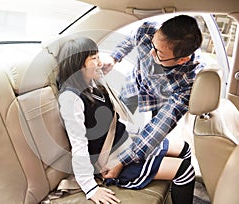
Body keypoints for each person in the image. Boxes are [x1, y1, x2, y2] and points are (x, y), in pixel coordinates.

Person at [57, 36, 195, 204]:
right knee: (185, 171)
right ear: (78, 64)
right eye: (94, 58)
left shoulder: (93, 84)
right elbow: (79, 144)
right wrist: (90, 188)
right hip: (111, 161)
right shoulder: (71, 98)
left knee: (184, 148)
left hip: (126, 143)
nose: (100, 62)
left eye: (98, 56)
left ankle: (175, 191)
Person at [101, 14, 205, 202]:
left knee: (154, 137)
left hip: (161, 100)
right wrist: (114, 57)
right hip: (135, 86)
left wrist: (123, 160)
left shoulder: (188, 82)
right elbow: (132, 39)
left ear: (182, 60)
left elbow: (157, 129)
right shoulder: (149, 29)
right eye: (152, 44)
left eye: (159, 53)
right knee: (124, 123)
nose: (150, 53)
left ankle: (175, 180)